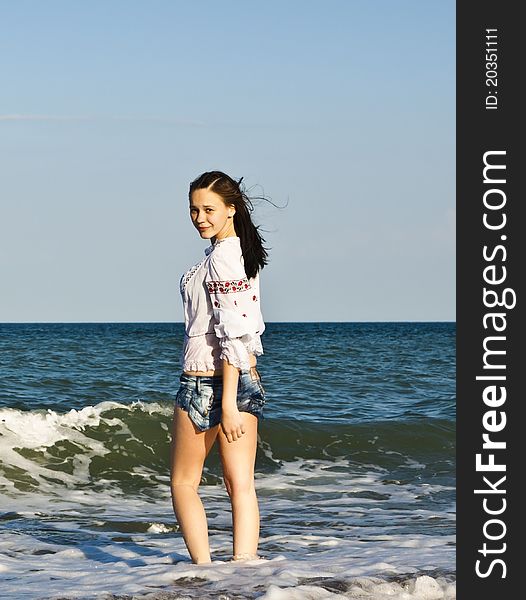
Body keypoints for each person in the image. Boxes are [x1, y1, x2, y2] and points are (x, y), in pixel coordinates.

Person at [170, 170, 269, 564]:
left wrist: (228, 403)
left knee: (183, 483)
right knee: (240, 485)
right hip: (240, 376)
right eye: (194, 210)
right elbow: (247, 334)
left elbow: (232, 333)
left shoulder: (224, 259)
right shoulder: (238, 253)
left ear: (231, 209)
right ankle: (244, 574)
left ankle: (205, 575)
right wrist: (244, 379)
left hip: (206, 382)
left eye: (208, 209)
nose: (199, 218)